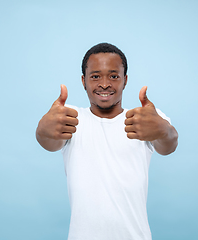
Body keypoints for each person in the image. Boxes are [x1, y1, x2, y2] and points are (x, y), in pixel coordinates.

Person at [36, 43, 178, 240]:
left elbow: (168, 146)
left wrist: (163, 131)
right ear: (83, 81)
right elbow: (49, 141)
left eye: (113, 76)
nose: (104, 84)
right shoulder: (71, 119)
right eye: (95, 76)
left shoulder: (143, 119)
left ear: (125, 80)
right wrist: (43, 131)